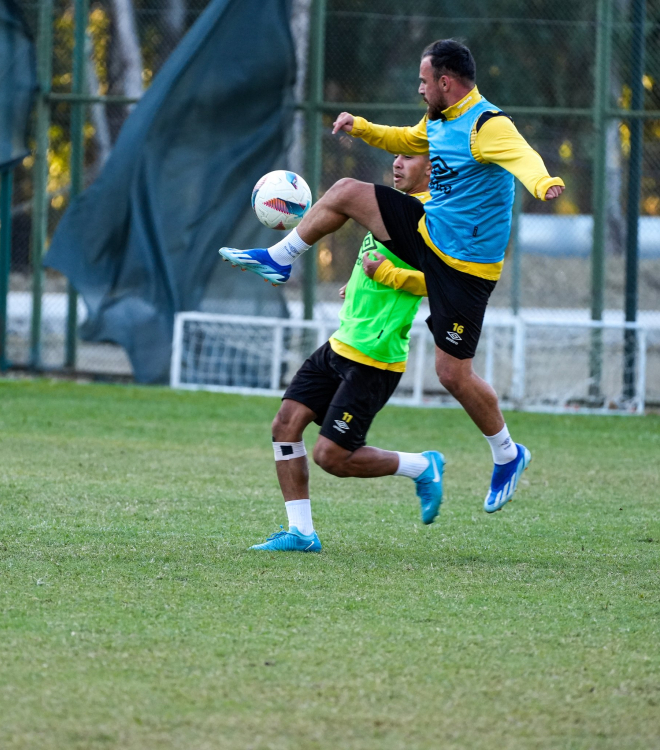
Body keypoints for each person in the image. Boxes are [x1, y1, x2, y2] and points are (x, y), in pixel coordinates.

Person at [220, 39, 565, 514]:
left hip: (465, 269)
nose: (420, 89)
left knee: (452, 374)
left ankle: (508, 454)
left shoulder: (487, 124)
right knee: (345, 191)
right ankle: (281, 256)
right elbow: (406, 139)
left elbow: (523, 157)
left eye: (424, 82)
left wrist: (544, 183)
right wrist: (360, 127)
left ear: (446, 82)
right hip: (429, 232)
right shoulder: (439, 120)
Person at [247, 154, 443, 552]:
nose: (397, 163)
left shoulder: (431, 218)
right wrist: (357, 286)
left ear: (432, 166)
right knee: (285, 424)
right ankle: (301, 533)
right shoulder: (386, 210)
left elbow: (443, 283)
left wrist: (382, 275)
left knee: (332, 457)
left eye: (410, 156)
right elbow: (375, 260)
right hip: (342, 341)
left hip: (375, 355)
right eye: (397, 155)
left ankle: (421, 466)